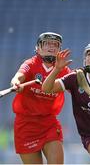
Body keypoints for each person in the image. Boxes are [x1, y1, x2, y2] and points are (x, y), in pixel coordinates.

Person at [10, 32, 71, 164]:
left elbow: (78, 86)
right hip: (25, 125)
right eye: (47, 43)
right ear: (37, 48)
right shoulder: (31, 63)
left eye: (55, 44)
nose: (52, 46)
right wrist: (16, 83)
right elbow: (19, 76)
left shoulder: (64, 70)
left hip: (49, 123)